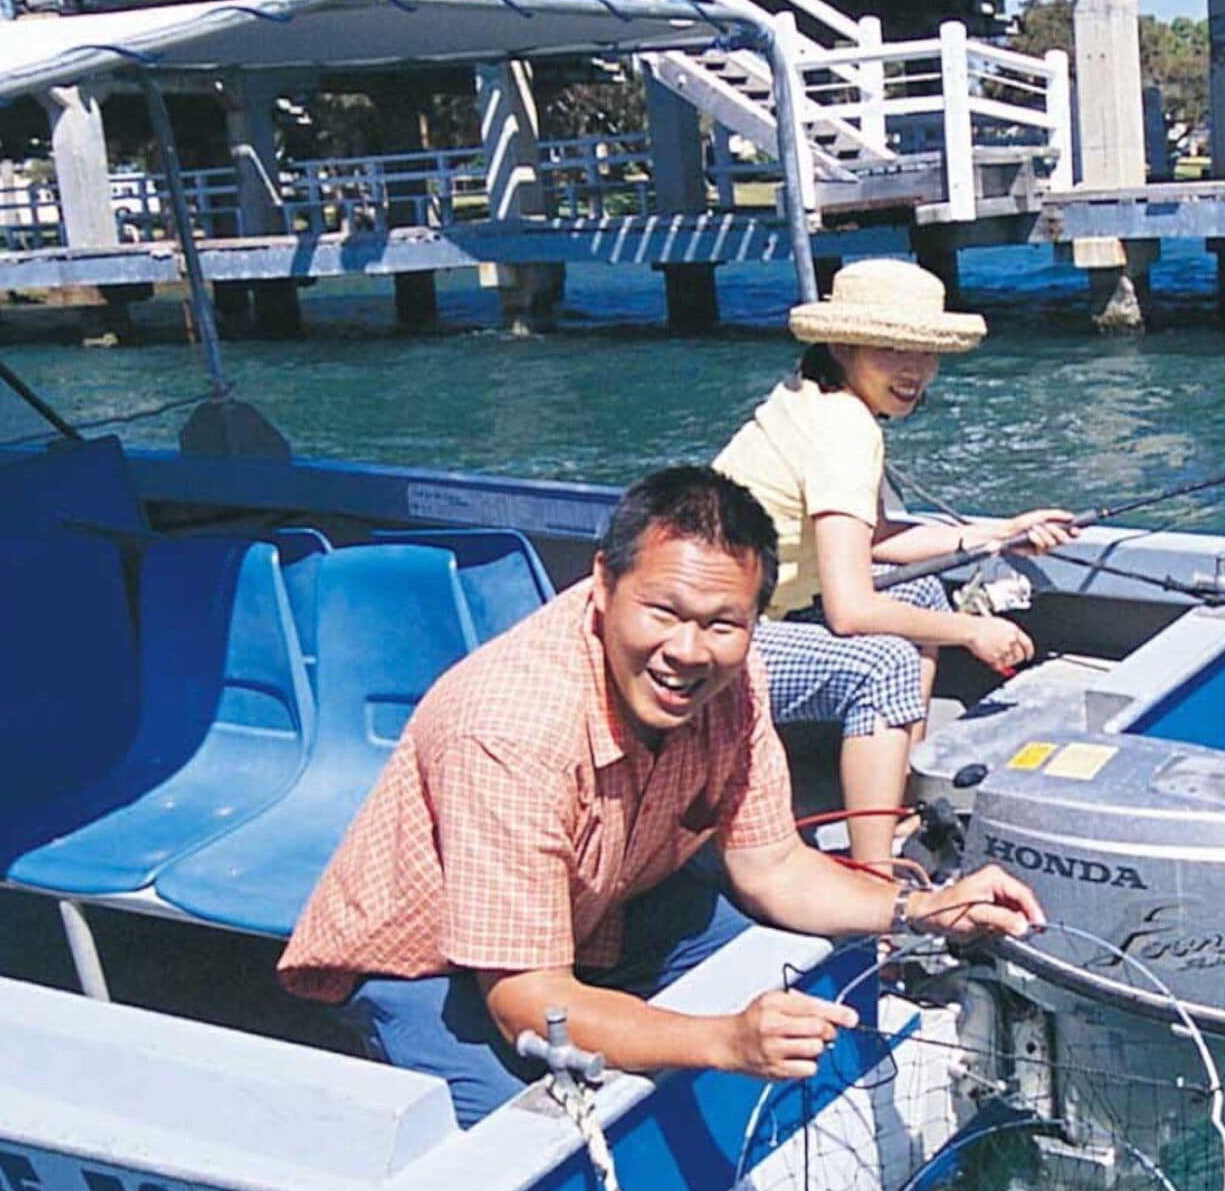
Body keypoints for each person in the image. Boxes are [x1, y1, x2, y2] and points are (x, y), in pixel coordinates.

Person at [276, 466, 1047, 1126]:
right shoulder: (512, 727)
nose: (688, 651)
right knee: (536, 1144)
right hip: (433, 968)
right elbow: (526, 1003)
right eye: (663, 612)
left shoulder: (734, 678)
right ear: (603, 585)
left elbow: (773, 864)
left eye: (723, 623)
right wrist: (722, 1040)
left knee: (805, 964)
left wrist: (919, 908)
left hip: (607, 903)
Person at [712, 259, 1079, 872]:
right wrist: (976, 631)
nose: (915, 372)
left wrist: (997, 535)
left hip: (753, 614)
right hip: (722, 640)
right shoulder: (845, 431)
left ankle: (905, 793)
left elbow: (871, 536)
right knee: (885, 664)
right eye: (891, 349)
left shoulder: (817, 400)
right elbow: (852, 611)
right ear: (843, 344)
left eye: (925, 352)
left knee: (924, 599)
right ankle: (875, 875)